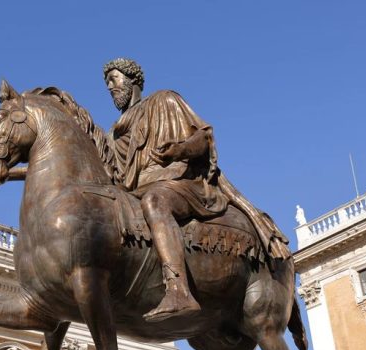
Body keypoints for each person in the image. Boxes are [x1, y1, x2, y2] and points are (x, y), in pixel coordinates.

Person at [103, 58, 290, 323]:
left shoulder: (164, 101)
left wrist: (180, 149)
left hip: (180, 183)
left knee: (156, 202)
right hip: (136, 190)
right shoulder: (114, 132)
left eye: (114, 78)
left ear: (132, 79)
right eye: (107, 82)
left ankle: (178, 289)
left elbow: (202, 137)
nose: (110, 86)